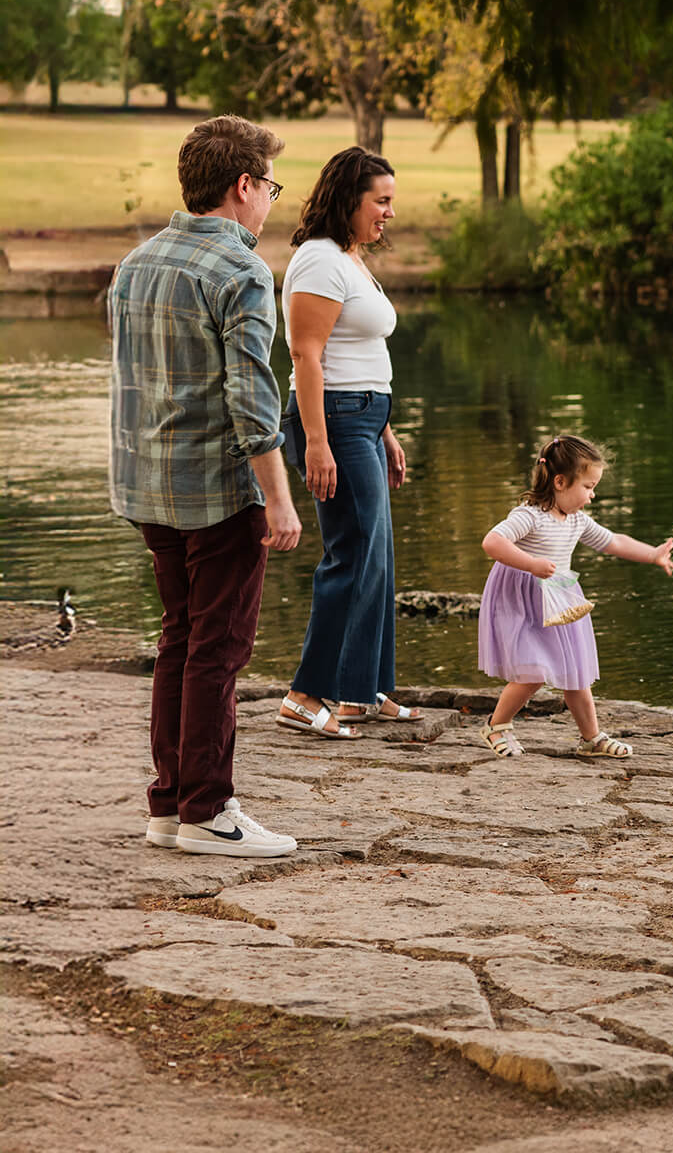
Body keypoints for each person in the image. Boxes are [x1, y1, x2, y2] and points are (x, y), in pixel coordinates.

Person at [109, 114, 304, 858]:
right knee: (217, 648)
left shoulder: (137, 262)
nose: (270, 202)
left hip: (148, 488)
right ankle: (207, 809)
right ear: (243, 184)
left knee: (181, 641)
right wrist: (278, 497)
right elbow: (252, 400)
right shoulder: (241, 271)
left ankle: (170, 804)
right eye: (269, 185)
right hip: (219, 492)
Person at [273, 147, 419, 739]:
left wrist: (383, 427)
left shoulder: (349, 258)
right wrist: (316, 442)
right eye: (380, 201)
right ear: (348, 199)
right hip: (332, 421)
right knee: (351, 554)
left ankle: (362, 692)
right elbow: (306, 354)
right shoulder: (317, 262)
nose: (388, 212)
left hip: (363, 418)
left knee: (376, 558)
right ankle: (305, 696)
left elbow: (359, 351)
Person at [475, 434, 673, 759]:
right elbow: (492, 542)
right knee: (533, 673)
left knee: (576, 672)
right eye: (587, 486)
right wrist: (532, 564)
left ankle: (591, 738)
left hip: (560, 600)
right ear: (559, 481)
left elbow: (614, 541)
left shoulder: (576, 521)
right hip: (524, 602)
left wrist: (652, 554)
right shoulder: (529, 515)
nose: (592, 495)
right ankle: (496, 726)